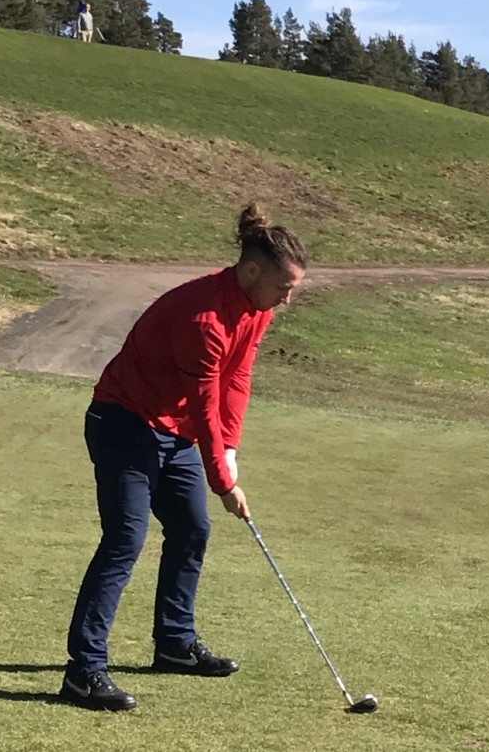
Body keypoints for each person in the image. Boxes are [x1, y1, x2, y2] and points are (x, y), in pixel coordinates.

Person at [60, 203, 308, 712]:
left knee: (192, 529)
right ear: (253, 270)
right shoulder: (204, 317)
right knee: (125, 539)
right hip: (123, 423)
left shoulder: (255, 310)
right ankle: (83, 673)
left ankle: (174, 644)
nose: (287, 299)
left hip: (171, 433)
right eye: (284, 287)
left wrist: (231, 452)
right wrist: (224, 481)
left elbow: (236, 380)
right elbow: (204, 403)